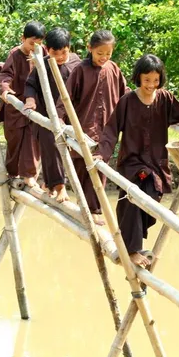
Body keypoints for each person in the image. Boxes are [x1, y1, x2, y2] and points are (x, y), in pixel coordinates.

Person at [97, 54, 179, 268]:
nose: (151, 85)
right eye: (147, 80)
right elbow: (111, 129)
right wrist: (101, 154)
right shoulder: (128, 101)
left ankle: (132, 244)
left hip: (156, 163)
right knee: (132, 198)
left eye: (155, 80)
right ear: (139, 77)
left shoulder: (165, 99)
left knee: (150, 199)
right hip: (132, 162)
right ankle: (132, 250)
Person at [57, 30, 126, 223]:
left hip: (107, 129)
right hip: (83, 128)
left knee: (100, 168)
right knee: (82, 168)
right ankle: (86, 208)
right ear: (90, 49)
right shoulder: (81, 70)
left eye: (108, 54)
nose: (104, 57)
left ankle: (94, 210)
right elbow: (66, 97)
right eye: (99, 53)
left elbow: (124, 94)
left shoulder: (113, 69)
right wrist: (60, 118)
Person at [24, 27, 81, 203]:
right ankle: (59, 187)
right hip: (47, 115)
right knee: (50, 147)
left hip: (69, 115)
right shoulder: (43, 64)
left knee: (70, 150)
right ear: (47, 50)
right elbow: (30, 84)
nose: (60, 57)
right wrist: (30, 100)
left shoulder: (77, 64)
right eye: (55, 53)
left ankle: (50, 184)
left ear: (69, 48)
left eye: (64, 52)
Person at [0, 21, 45, 186]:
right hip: (16, 106)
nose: (34, 47)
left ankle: (29, 175)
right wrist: (5, 89)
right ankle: (12, 173)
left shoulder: (43, 52)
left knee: (32, 140)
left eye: (38, 44)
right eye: (31, 43)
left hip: (34, 105)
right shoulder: (15, 54)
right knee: (14, 141)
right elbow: (5, 74)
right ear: (23, 38)